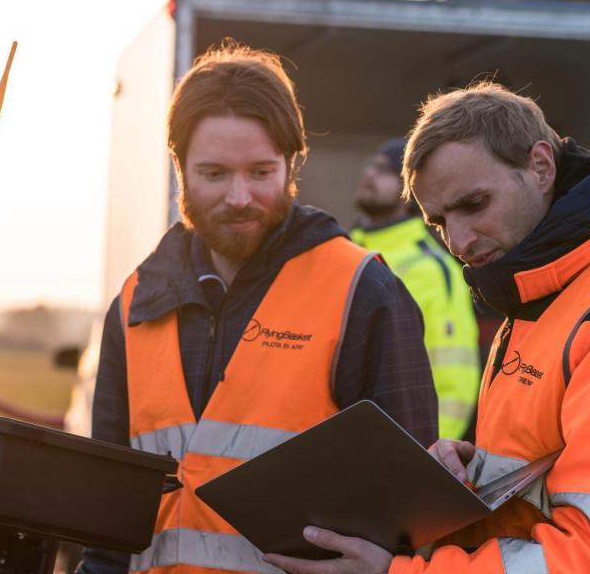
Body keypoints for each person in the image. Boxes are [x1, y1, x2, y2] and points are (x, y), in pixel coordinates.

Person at [263, 82, 590, 574]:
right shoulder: (542, 296)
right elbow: (542, 488)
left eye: (474, 205)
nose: (460, 242)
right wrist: (471, 472)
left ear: (540, 166)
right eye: (439, 223)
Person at [76, 43, 437, 574]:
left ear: (293, 162)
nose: (240, 196)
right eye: (215, 173)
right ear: (179, 167)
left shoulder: (364, 291)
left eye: (261, 172)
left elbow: (415, 519)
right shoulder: (133, 305)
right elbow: (104, 527)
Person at [350, 138, 480, 440]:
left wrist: (428, 454)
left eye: (384, 171)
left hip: (400, 447)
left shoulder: (434, 269)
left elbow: (454, 376)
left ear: (410, 189)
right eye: (371, 165)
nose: (369, 174)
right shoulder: (343, 251)